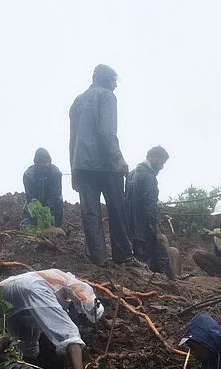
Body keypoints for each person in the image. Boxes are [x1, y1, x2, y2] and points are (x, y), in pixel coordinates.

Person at [69, 64, 132, 266]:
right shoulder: (107, 96)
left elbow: (73, 139)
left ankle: (98, 261)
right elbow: (107, 131)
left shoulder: (77, 101)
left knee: (90, 213)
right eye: (113, 80)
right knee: (117, 209)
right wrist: (119, 158)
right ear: (105, 79)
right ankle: (123, 257)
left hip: (82, 166)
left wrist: (74, 170)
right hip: (106, 164)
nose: (115, 85)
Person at [0, 269, 104, 369]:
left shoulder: (56, 275)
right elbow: (89, 303)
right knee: (69, 331)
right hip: (31, 286)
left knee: (26, 339)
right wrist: (99, 316)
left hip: (4, 288)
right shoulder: (73, 284)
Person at [125, 146, 171, 274]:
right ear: (154, 158)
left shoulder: (131, 175)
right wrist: (157, 231)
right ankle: (166, 287)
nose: (162, 167)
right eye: (162, 163)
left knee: (141, 263)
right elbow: (150, 206)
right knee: (162, 258)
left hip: (132, 231)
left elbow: (126, 200)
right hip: (145, 231)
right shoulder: (149, 177)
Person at [22, 148, 64, 229]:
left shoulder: (56, 173)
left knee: (55, 232)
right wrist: (38, 216)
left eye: (48, 161)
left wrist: (46, 218)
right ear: (36, 162)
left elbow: (55, 198)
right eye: (43, 162)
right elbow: (31, 198)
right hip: (33, 211)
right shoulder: (28, 175)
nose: (46, 164)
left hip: (53, 211)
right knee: (27, 228)